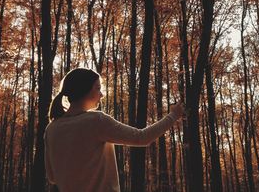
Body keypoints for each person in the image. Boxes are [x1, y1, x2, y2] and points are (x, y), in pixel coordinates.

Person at [44, 67, 185, 192]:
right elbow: (142, 137)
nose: (102, 94)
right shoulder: (95, 121)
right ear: (85, 90)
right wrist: (173, 116)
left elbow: (52, 177)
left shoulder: (51, 129)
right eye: (98, 88)